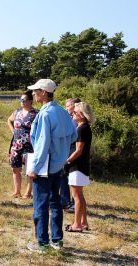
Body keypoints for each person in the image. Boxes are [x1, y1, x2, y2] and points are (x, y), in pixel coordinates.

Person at [26, 79, 77, 252]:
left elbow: (42, 143)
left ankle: (42, 243)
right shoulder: (62, 111)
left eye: (35, 91)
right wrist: (62, 155)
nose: (33, 94)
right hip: (58, 166)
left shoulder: (45, 114)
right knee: (55, 203)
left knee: (40, 205)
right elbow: (73, 136)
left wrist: (34, 167)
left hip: (44, 166)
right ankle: (57, 240)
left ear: (44, 92)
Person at [64, 102, 95, 232]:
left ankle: (76, 224)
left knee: (76, 196)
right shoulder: (84, 127)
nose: (73, 114)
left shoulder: (81, 129)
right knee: (80, 196)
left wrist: (66, 161)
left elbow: (78, 150)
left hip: (77, 166)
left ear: (81, 115)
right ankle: (83, 222)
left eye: (75, 112)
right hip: (81, 166)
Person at [7, 91, 39, 199]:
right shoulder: (17, 112)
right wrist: (13, 131)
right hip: (16, 145)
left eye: (24, 100)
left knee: (29, 169)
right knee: (15, 168)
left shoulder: (36, 113)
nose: (21, 102)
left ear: (30, 101)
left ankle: (28, 193)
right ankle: (17, 191)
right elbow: (9, 120)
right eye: (20, 100)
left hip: (29, 145)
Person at [61, 98, 81, 212]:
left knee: (73, 177)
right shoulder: (67, 117)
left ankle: (73, 203)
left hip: (73, 149)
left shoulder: (78, 119)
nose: (66, 108)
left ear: (73, 106)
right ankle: (64, 201)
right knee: (63, 175)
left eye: (68, 106)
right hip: (65, 148)